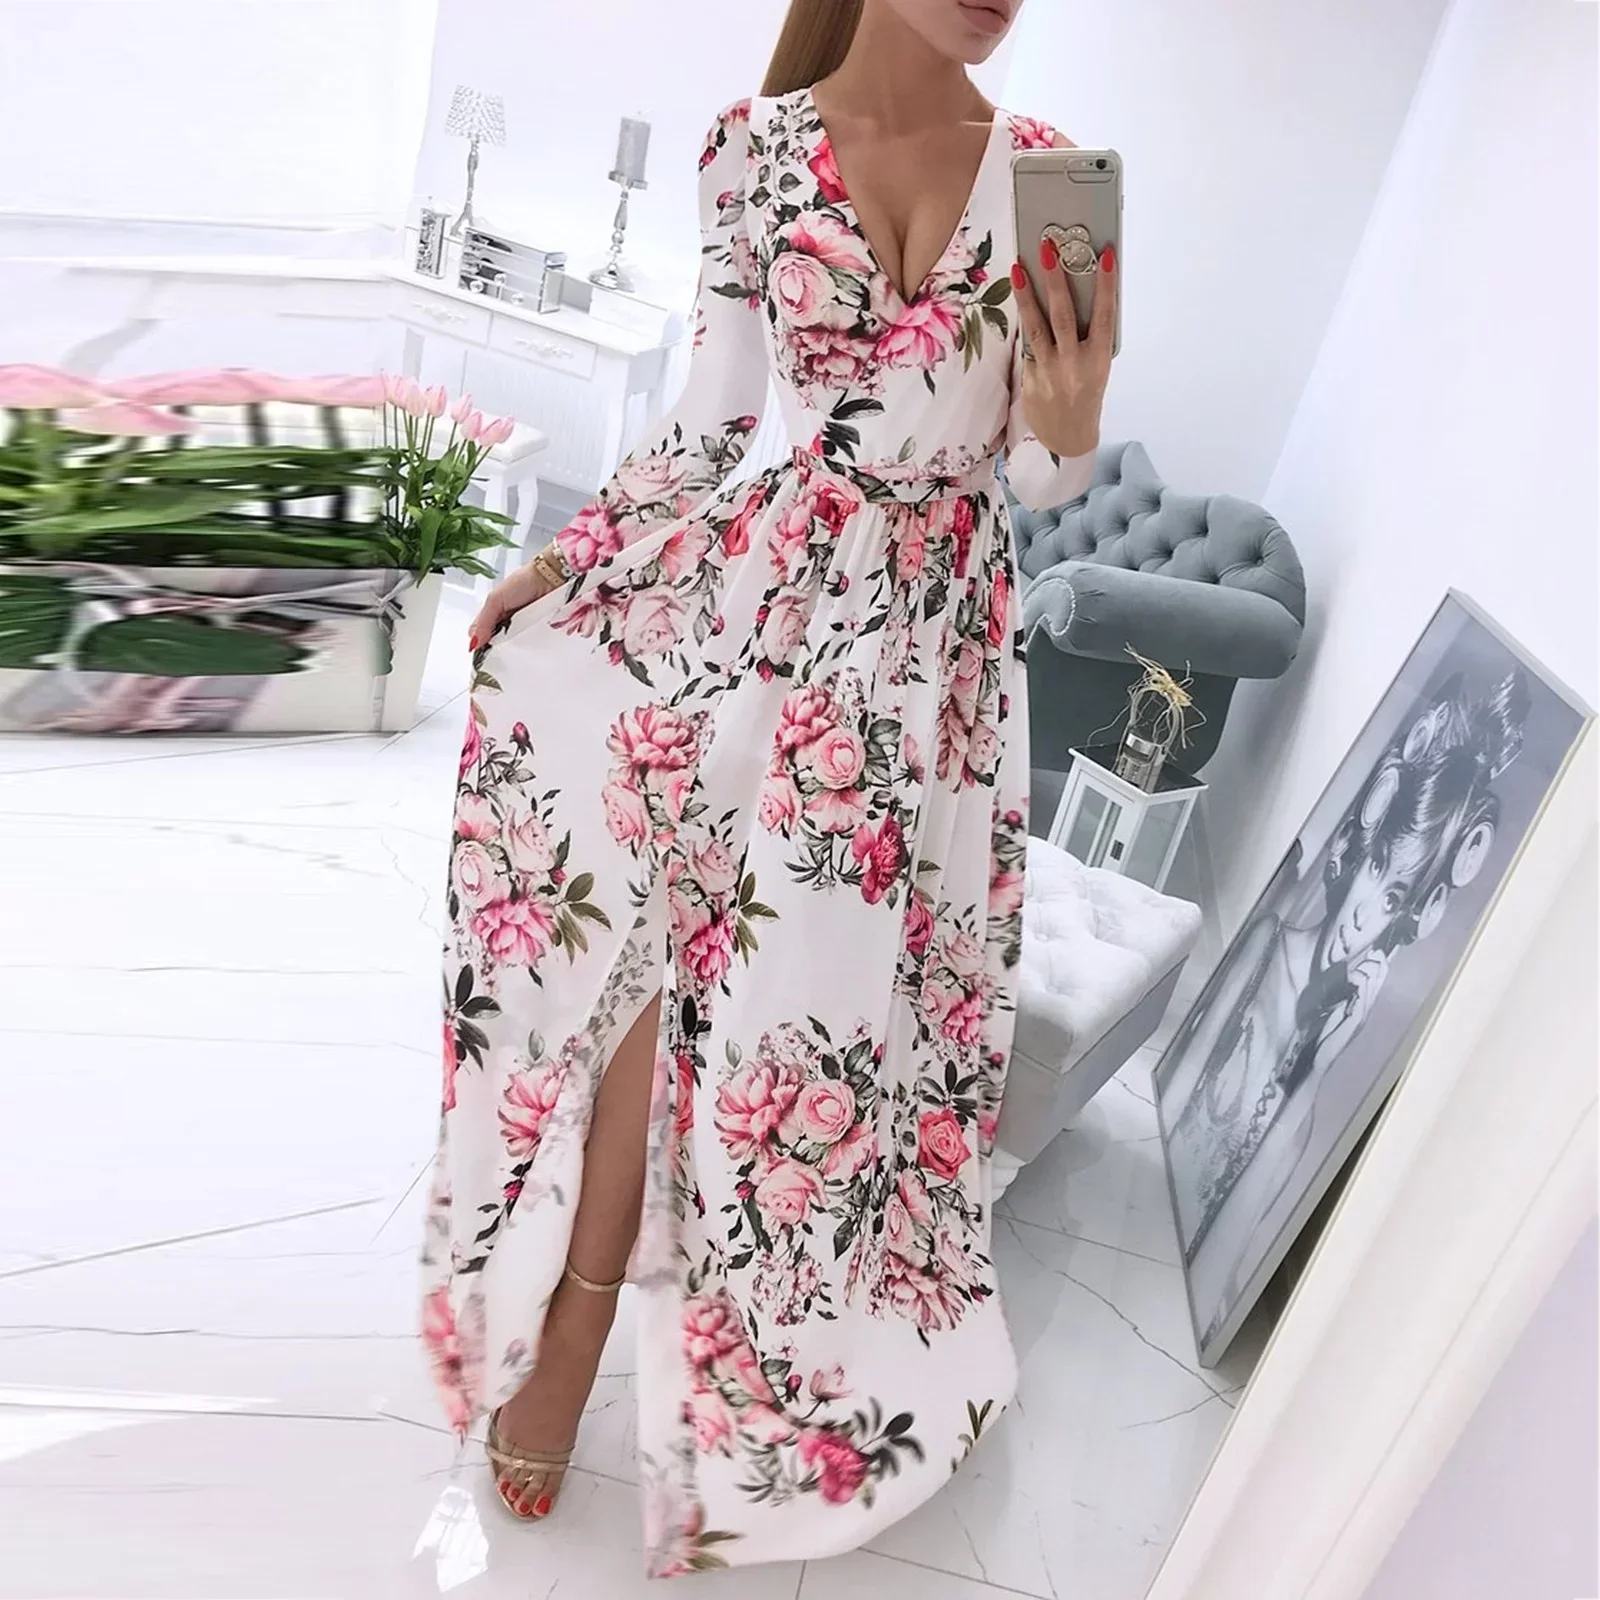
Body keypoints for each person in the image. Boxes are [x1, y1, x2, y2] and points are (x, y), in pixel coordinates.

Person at [420, 0, 1114, 1575]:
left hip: (934, 658)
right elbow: (712, 424)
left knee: (821, 1004)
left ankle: (769, 1351)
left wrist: (1069, 427)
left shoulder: (1063, 183)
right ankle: (578, 1326)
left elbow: (1044, 474)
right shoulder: (751, 151)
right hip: (768, 600)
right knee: (664, 958)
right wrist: (563, 564)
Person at [1162, 669, 1529, 1307]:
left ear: (1409, 915)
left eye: (1393, 899)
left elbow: (1222, 1265)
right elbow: (1168, 1111)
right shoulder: (1262, 950)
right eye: (1378, 866)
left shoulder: (1321, 1061)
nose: (1364, 916)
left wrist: (1314, 1071)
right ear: (1361, 849)